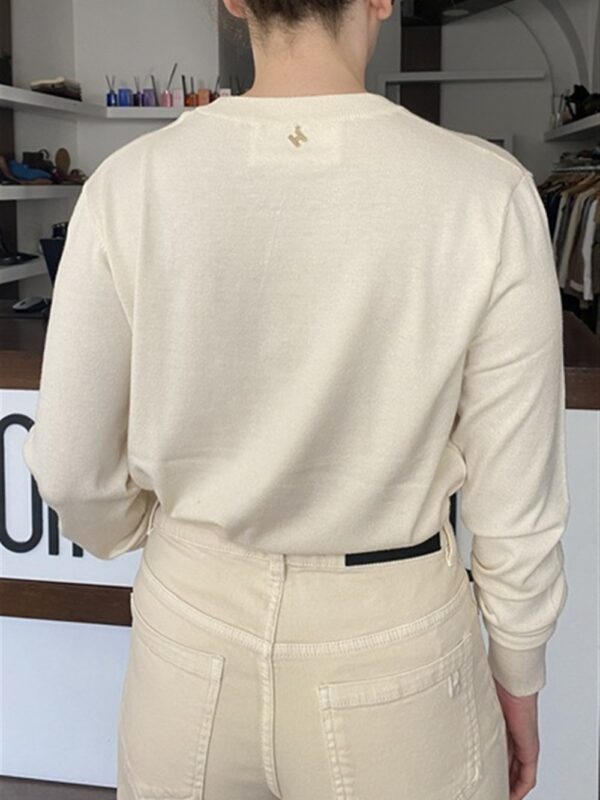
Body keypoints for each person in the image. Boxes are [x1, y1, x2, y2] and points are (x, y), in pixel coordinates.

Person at [22, 0, 570, 798]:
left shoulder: (128, 186)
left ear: (233, 0)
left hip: (190, 633)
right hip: (394, 640)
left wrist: (165, 536)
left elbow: (71, 467)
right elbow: (515, 498)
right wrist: (518, 670)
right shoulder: (486, 192)